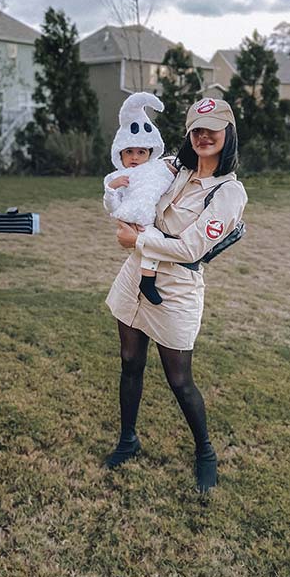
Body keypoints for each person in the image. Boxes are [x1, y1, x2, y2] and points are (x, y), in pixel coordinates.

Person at [104, 97, 247, 493]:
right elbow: (128, 184)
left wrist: (139, 238)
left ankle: (205, 452)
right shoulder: (173, 168)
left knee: (180, 379)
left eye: (212, 128)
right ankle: (128, 440)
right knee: (130, 361)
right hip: (136, 275)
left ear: (227, 133)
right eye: (196, 129)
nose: (203, 135)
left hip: (176, 288)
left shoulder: (229, 192)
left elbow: (190, 249)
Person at [103, 93, 175, 305]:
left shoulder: (156, 169)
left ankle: (147, 279)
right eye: (129, 152)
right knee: (152, 241)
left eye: (141, 152)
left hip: (147, 222)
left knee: (155, 240)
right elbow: (110, 207)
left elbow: (168, 176)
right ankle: (147, 280)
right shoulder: (116, 177)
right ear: (120, 154)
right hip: (128, 218)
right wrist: (111, 189)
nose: (135, 157)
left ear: (150, 153)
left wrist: (172, 170)